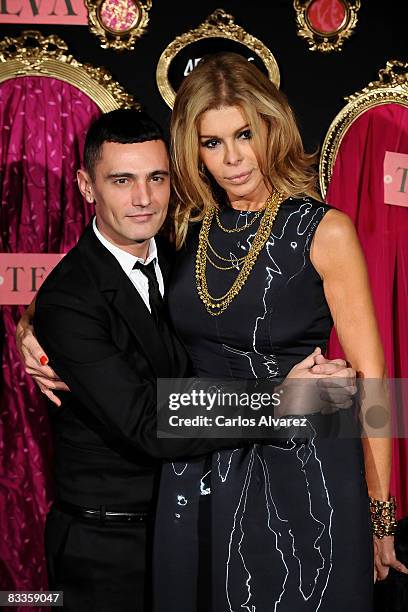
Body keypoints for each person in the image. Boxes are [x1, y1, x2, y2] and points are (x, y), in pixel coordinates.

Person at [16, 108, 354, 611]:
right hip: (108, 545)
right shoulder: (69, 299)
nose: (143, 199)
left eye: (156, 178)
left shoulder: (181, 257)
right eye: (122, 180)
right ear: (87, 187)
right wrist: (282, 399)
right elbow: (150, 422)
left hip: (192, 520)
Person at [149, 52, 408, 611]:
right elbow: (107, 276)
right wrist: (32, 322)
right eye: (212, 142)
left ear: (272, 125)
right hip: (199, 464)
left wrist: (382, 511)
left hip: (305, 469)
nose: (234, 158)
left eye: (244, 133)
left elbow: (372, 381)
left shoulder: (324, 230)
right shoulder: (182, 226)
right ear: (192, 150)